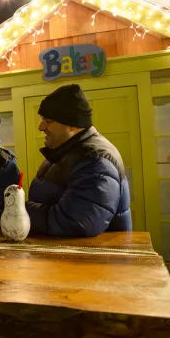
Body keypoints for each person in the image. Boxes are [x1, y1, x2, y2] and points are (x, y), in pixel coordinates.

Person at [25, 84, 132, 237]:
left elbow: (74, 222)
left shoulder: (96, 160)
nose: (41, 127)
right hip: (65, 254)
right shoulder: (63, 152)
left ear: (72, 125)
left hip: (91, 258)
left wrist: (19, 209)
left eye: (47, 121)